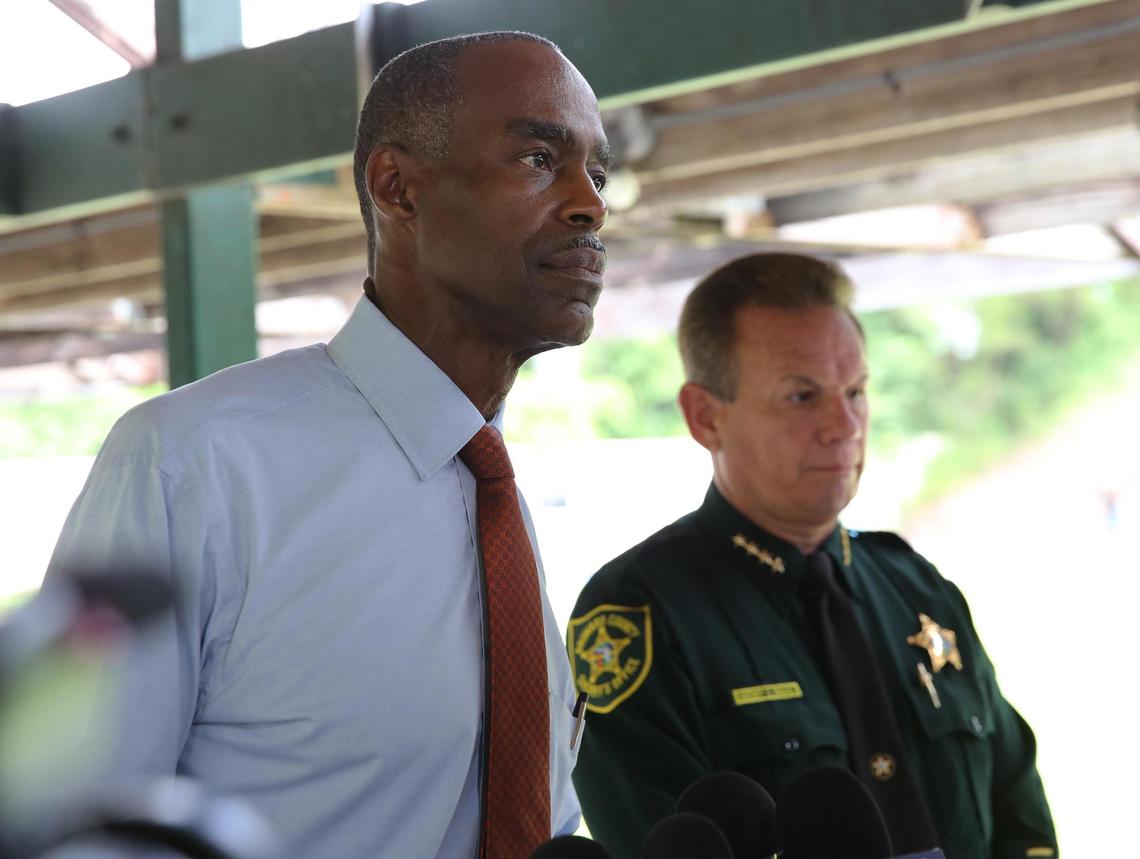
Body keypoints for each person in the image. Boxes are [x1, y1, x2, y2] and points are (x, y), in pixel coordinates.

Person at [48, 32, 611, 859]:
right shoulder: (193, 466)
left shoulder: (496, 499)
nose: (590, 204)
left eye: (599, 172)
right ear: (398, 188)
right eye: (538, 157)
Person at [567, 253, 1057, 859]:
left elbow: (1020, 814)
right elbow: (664, 840)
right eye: (803, 397)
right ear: (705, 417)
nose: (844, 424)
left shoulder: (917, 590)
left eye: (856, 391)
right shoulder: (641, 614)